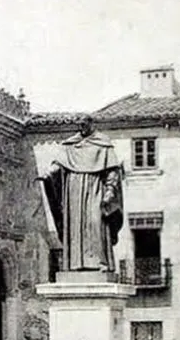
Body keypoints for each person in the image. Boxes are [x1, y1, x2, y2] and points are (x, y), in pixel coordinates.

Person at [38, 117, 124, 273]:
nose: (81, 127)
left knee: (95, 222)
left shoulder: (103, 144)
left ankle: (100, 262)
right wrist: (49, 174)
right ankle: (75, 264)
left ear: (92, 124)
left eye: (84, 124)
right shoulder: (70, 144)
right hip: (74, 191)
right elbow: (58, 165)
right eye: (79, 125)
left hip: (95, 188)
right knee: (75, 226)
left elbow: (112, 170)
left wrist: (110, 190)